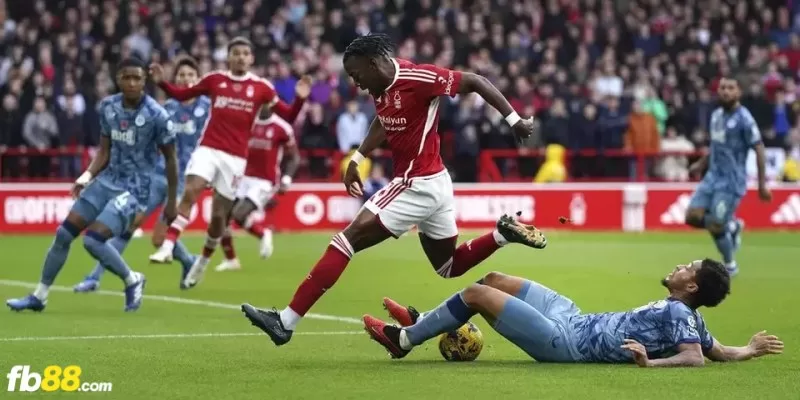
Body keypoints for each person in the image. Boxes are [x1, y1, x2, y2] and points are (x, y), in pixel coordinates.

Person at [239, 33, 545, 346]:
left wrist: (514, 119)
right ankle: (501, 235)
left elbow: (476, 80)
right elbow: (383, 120)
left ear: (373, 64)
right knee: (448, 265)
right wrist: (358, 157)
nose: (356, 84)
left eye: (357, 75)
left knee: (347, 240)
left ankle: (285, 321)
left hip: (416, 181)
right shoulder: (381, 86)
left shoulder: (419, 77)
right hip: (436, 182)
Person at [364, 260, 784, 367]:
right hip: (574, 316)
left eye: (685, 269)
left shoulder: (681, 315)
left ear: (690, 287)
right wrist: (748, 349)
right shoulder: (690, 319)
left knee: (476, 292)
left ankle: (406, 340)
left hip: (566, 343)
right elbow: (715, 352)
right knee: (493, 278)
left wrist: (649, 362)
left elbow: (694, 358)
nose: (677, 267)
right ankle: (424, 323)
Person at [6, 57, 178, 312]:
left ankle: (132, 279)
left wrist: (172, 202)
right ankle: (39, 296)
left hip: (135, 189)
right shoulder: (108, 106)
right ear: (117, 79)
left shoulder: (157, 115)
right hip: (106, 181)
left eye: (137, 78)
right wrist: (86, 176)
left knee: (93, 241)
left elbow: (171, 159)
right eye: (126, 77)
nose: (131, 83)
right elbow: (104, 151)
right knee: (63, 235)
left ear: (145, 80)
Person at [146, 37, 309, 290]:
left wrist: (299, 99)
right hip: (208, 148)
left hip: (235, 160)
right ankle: (167, 246)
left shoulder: (262, 87)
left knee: (219, 218)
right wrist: (161, 83)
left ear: (251, 58)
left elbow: (288, 115)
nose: (241, 57)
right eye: (236, 53)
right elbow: (182, 94)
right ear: (229, 57)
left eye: (246, 53)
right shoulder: (215, 80)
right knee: (190, 190)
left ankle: (202, 262)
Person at [73, 56, 209, 292]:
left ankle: (188, 261)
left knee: (159, 238)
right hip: (155, 176)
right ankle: (94, 277)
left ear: (198, 80)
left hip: (184, 179)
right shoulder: (167, 108)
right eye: (181, 75)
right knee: (127, 226)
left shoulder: (207, 108)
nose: (185, 79)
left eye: (190, 76)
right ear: (175, 79)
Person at [685, 77, 772, 276]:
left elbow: (758, 148)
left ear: (738, 92)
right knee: (691, 217)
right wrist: (700, 164)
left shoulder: (744, 119)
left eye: (730, 88)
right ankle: (731, 226)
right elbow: (716, 146)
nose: (725, 91)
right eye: (723, 87)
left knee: (716, 225)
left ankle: (730, 264)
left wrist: (762, 184)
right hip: (712, 177)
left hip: (731, 181)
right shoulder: (715, 115)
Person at [214, 106, 300, 272]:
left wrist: (287, 178)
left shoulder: (281, 128)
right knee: (223, 216)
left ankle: (263, 233)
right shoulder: (246, 122)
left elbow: (294, 156)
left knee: (239, 214)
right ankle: (232, 259)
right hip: (243, 177)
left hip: (265, 181)